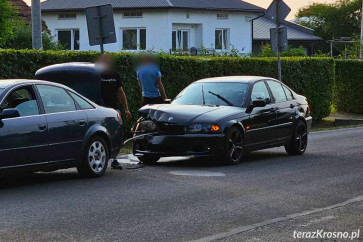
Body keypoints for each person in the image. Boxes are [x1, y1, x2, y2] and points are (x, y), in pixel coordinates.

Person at [96, 54, 132, 169]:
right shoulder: (97, 75)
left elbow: (121, 92)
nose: (106, 63)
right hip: (99, 109)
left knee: (117, 132)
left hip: (113, 109)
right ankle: (102, 157)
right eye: (103, 61)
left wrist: (126, 108)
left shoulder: (115, 75)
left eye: (107, 61)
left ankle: (115, 159)